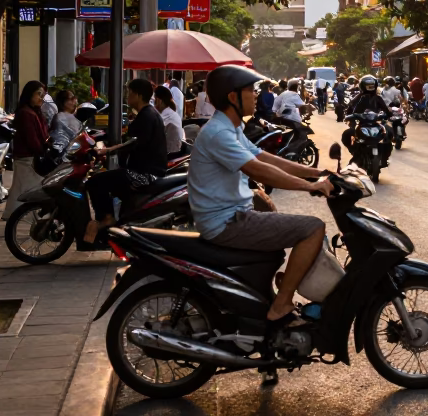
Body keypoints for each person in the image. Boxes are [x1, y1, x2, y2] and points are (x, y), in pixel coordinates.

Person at [187, 65, 333, 328]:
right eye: (250, 91)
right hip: (228, 222)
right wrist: (309, 186)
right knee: (313, 228)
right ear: (233, 97)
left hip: (233, 215)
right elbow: (259, 169)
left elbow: (263, 157)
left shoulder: (229, 127)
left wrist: (317, 172)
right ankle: (282, 305)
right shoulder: (220, 132)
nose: (256, 96)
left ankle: (268, 295)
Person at [83, 79, 168, 243]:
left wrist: (108, 150)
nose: (127, 97)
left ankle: (107, 218)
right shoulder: (147, 114)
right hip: (142, 170)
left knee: (94, 182)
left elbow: (133, 143)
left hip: (144, 174)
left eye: (129, 93)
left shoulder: (147, 116)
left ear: (137, 95)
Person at [3, 81, 49, 220]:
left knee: (20, 187)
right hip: (27, 156)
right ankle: (20, 215)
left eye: (43, 95)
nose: (41, 98)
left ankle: (12, 215)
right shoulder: (26, 113)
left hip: (26, 156)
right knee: (30, 188)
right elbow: (31, 138)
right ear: (30, 95)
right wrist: (41, 151)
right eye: (38, 94)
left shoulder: (33, 112)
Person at [345, 75, 393, 165]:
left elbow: (385, 109)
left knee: (389, 132)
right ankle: (355, 153)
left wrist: (388, 114)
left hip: (375, 123)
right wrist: (350, 117)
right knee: (347, 134)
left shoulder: (378, 98)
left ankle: (385, 157)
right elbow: (351, 109)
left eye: (372, 85)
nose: (370, 88)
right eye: (368, 85)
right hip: (362, 123)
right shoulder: (358, 98)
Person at [154, 85, 185, 156]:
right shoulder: (172, 113)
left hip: (168, 156)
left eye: (154, 100)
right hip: (174, 153)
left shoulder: (164, 117)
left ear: (159, 101)